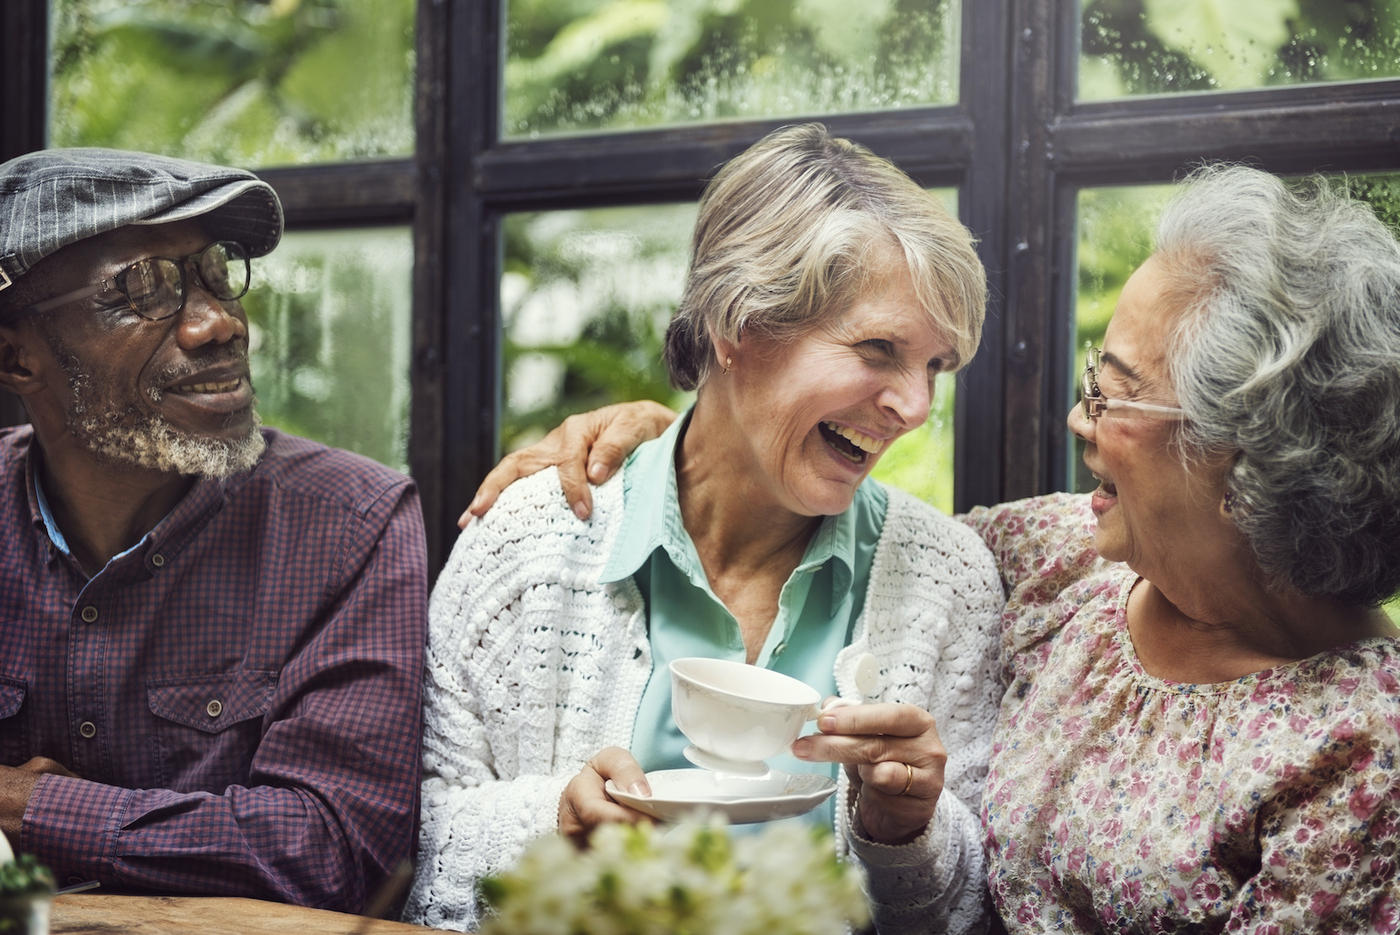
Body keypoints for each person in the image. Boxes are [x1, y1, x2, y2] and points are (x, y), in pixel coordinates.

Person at [471, 164, 1400, 930]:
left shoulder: (1361, 751)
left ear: (1242, 460)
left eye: (1112, 392)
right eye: (1090, 378)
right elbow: (786, 495)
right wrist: (658, 434)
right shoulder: (1063, 560)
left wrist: (907, 829)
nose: (1078, 416)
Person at [403, 124, 1004, 934]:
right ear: (738, 324)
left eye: (936, 365)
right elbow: (410, 843)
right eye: (879, 349)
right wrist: (553, 828)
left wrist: (910, 833)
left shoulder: (949, 578)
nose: (917, 407)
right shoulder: (529, 541)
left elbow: (972, 911)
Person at [0, 148, 427, 913]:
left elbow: (338, 850)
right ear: (14, 355)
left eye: (215, 274)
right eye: (143, 289)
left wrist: (33, 809)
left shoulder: (352, 522)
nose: (219, 322)